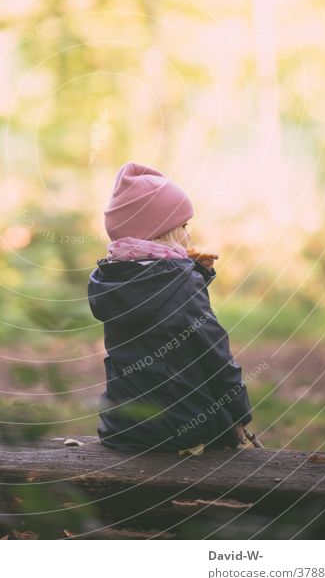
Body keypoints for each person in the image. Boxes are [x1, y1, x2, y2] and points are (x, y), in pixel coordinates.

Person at [88, 161, 262, 453]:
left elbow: (160, 316)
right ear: (160, 233)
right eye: (183, 226)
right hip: (178, 429)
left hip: (123, 427)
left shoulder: (112, 278)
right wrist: (240, 413)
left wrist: (195, 275)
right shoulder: (179, 283)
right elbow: (214, 354)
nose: (189, 236)